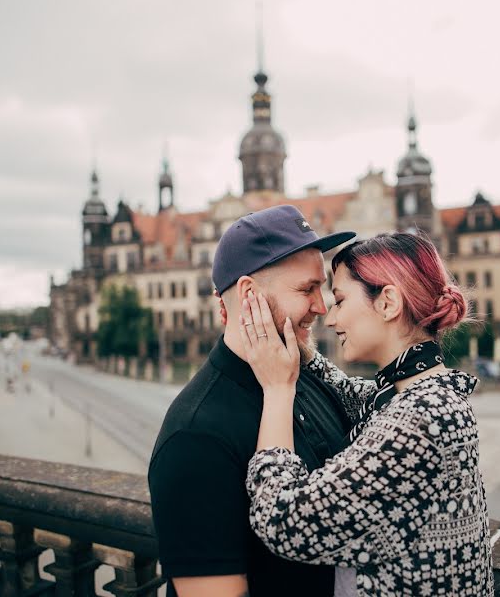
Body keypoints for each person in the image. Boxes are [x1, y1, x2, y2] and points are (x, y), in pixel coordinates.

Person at [242, 233, 494, 596]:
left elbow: (285, 523)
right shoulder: (426, 394)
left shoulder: (421, 418)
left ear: (388, 302)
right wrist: (303, 350)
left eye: (341, 300)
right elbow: (359, 398)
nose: (330, 318)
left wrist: (278, 390)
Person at [148, 205, 356, 597]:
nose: (322, 306)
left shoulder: (304, 377)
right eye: (307, 289)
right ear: (249, 294)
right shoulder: (195, 436)